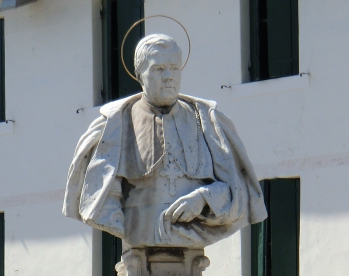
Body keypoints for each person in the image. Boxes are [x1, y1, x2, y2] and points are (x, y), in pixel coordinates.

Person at [63, 33, 266, 250]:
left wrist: (203, 198)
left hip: (194, 231)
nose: (169, 76)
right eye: (159, 69)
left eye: (174, 68)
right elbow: (106, 194)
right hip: (139, 230)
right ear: (140, 75)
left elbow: (236, 190)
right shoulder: (115, 125)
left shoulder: (208, 121)